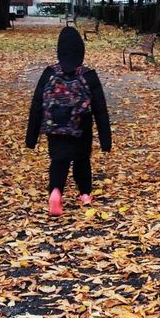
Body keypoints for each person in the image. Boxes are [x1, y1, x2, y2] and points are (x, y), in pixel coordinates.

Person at [26, 27, 112, 216]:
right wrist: (106, 141)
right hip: (81, 127)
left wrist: (31, 139)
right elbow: (100, 109)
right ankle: (85, 194)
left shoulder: (49, 73)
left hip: (54, 128)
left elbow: (37, 105)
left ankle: (56, 192)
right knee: (82, 160)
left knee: (58, 161)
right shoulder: (88, 75)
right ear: (81, 51)